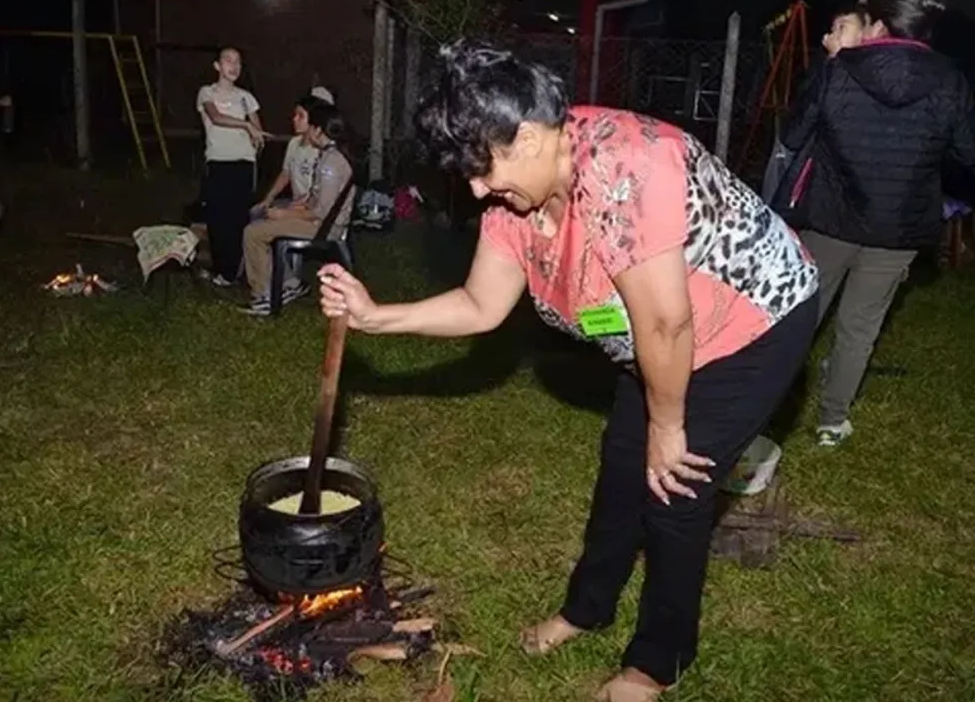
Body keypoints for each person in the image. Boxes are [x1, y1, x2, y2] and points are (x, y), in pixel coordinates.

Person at [317, 41, 819, 700]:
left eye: (481, 167)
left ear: (526, 136)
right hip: (660, 338)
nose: (475, 188)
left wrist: (670, 426)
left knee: (674, 491)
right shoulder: (515, 199)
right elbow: (480, 305)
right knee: (621, 472)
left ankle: (657, 662)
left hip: (752, 326)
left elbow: (666, 326)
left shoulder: (626, 172)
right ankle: (587, 609)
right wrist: (377, 316)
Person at [774, 0, 975, 446]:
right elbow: (968, 153)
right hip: (900, 225)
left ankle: (769, 408)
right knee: (861, 325)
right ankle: (831, 420)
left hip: (832, 216)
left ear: (879, 25)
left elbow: (794, 134)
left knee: (804, 314)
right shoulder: (950, 79)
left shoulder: (838, 70)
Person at [243, 103, 355, 317]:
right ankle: (288, 283)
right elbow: (316, 199)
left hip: (324, 228)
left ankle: (265, 296)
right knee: (261, 223)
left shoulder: (331, 162)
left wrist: (284, 214)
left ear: (318, 130)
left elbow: (322, 212)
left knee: (253, 233)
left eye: (310, 124)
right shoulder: (328, 155)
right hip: (319, 222)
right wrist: (298, 205)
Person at [761, 3, 865, 206]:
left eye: (842, 27)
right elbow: (808, 102)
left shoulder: (858, 71)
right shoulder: (826, 63)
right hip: (795, 141)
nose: (832, 34)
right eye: (833, 28)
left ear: (865, 35)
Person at [196, 46, 269, 287]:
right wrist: (245, 126)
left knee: (240, 218)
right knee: (219, 218)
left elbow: (257, 130)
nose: (233, 65)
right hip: (219, 163)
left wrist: (256, 139)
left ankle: (239, 271)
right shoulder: (207, 92)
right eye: (228, 60)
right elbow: (215, 117)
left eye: (237, 61)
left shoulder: (246, 97)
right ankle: (222, 270)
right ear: (217, 65)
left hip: (244, 165)